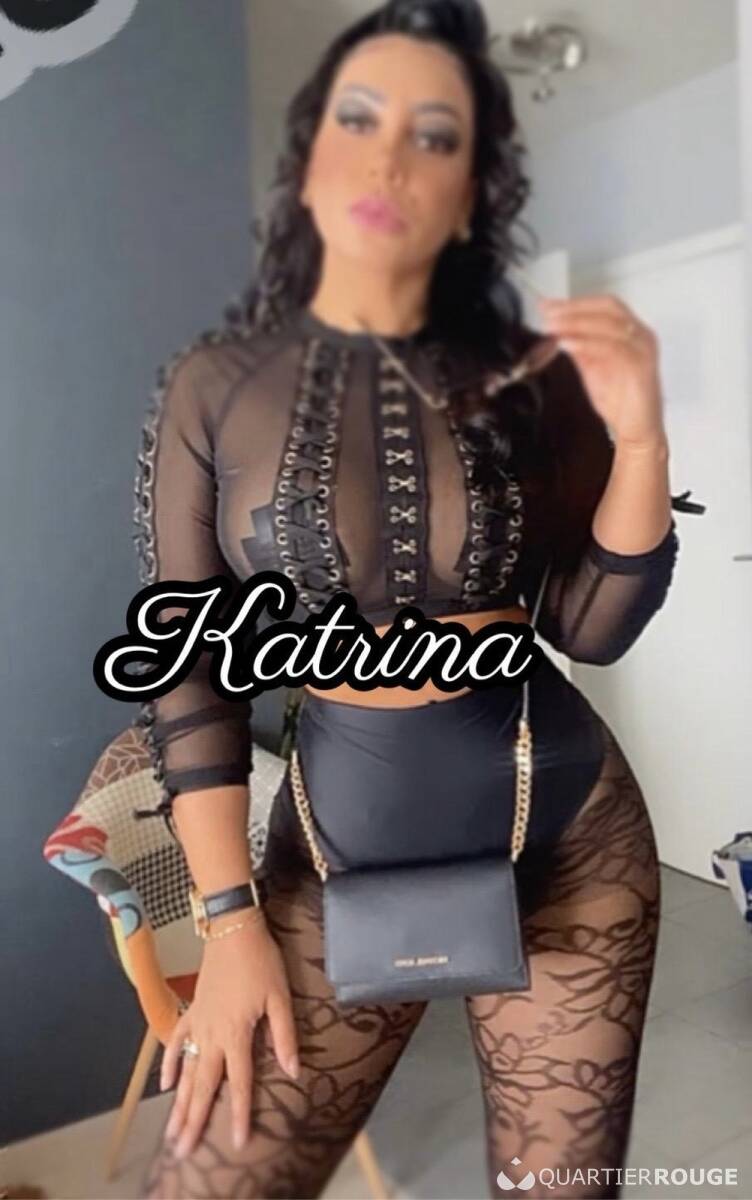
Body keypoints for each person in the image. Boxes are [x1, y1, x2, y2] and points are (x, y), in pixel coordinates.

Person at [136, 2, 703, 1196]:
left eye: (433, 135)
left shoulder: (532, 377)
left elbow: (591, 628)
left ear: (469, 192)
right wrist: (227, 922)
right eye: (360, 118)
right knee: (208, 1178)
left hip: (567, 836)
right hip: (330, 851)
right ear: (309, 160)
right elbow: (189, 671)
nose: (391, 156)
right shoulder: (212, 387)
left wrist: (642, 439)